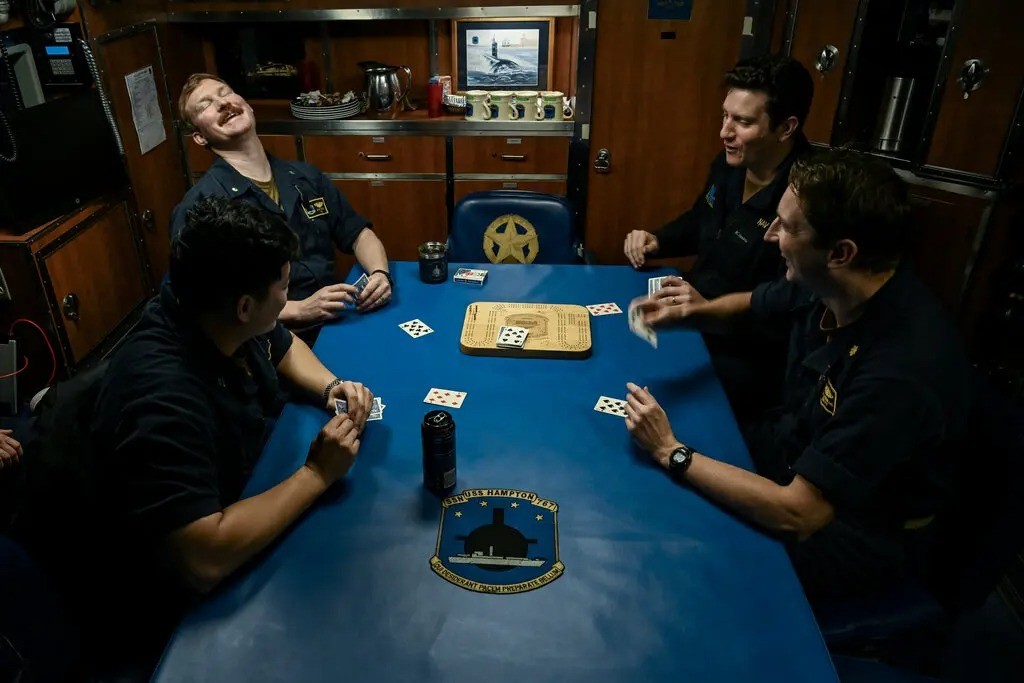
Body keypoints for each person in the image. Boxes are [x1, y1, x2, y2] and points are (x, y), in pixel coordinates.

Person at [16, 196, 375, 676]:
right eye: (284, 288)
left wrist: (330, 387)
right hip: (131, 593)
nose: (288, 298)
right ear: (245, 305)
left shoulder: (208, 304)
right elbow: (202, 558)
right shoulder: (162, 398)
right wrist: (316, 474)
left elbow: (278, 342)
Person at [625, 149, 971, 601]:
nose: (769, 235)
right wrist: (692, 314)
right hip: (789, 451)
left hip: (855, 534)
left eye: (786, 226)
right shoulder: (830, 284)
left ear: (841, 253)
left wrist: (672, 451)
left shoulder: (899, 372)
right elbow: (752, 305)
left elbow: (799, 513)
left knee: (675, 573)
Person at [623, 55, 814, 418]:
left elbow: (790, 300)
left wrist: (707, 310)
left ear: (786, 128)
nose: (724, 132)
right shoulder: (729, 164)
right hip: (693, 322)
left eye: (742, 121)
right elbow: (702, 220)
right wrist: (658, 240)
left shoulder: (807, 195)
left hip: (750, 357)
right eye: (725, 116)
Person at [172, 73, 393, 337]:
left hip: (338, 323)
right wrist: (297, 310)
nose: (222, 103)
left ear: (248, 106)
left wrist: (380, 274)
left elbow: (359, 234)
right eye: (205, 105)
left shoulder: (306, 177)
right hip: (266, 341)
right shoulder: (201, 206)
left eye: (225, 92)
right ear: (199, 138)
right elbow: (201, 303)